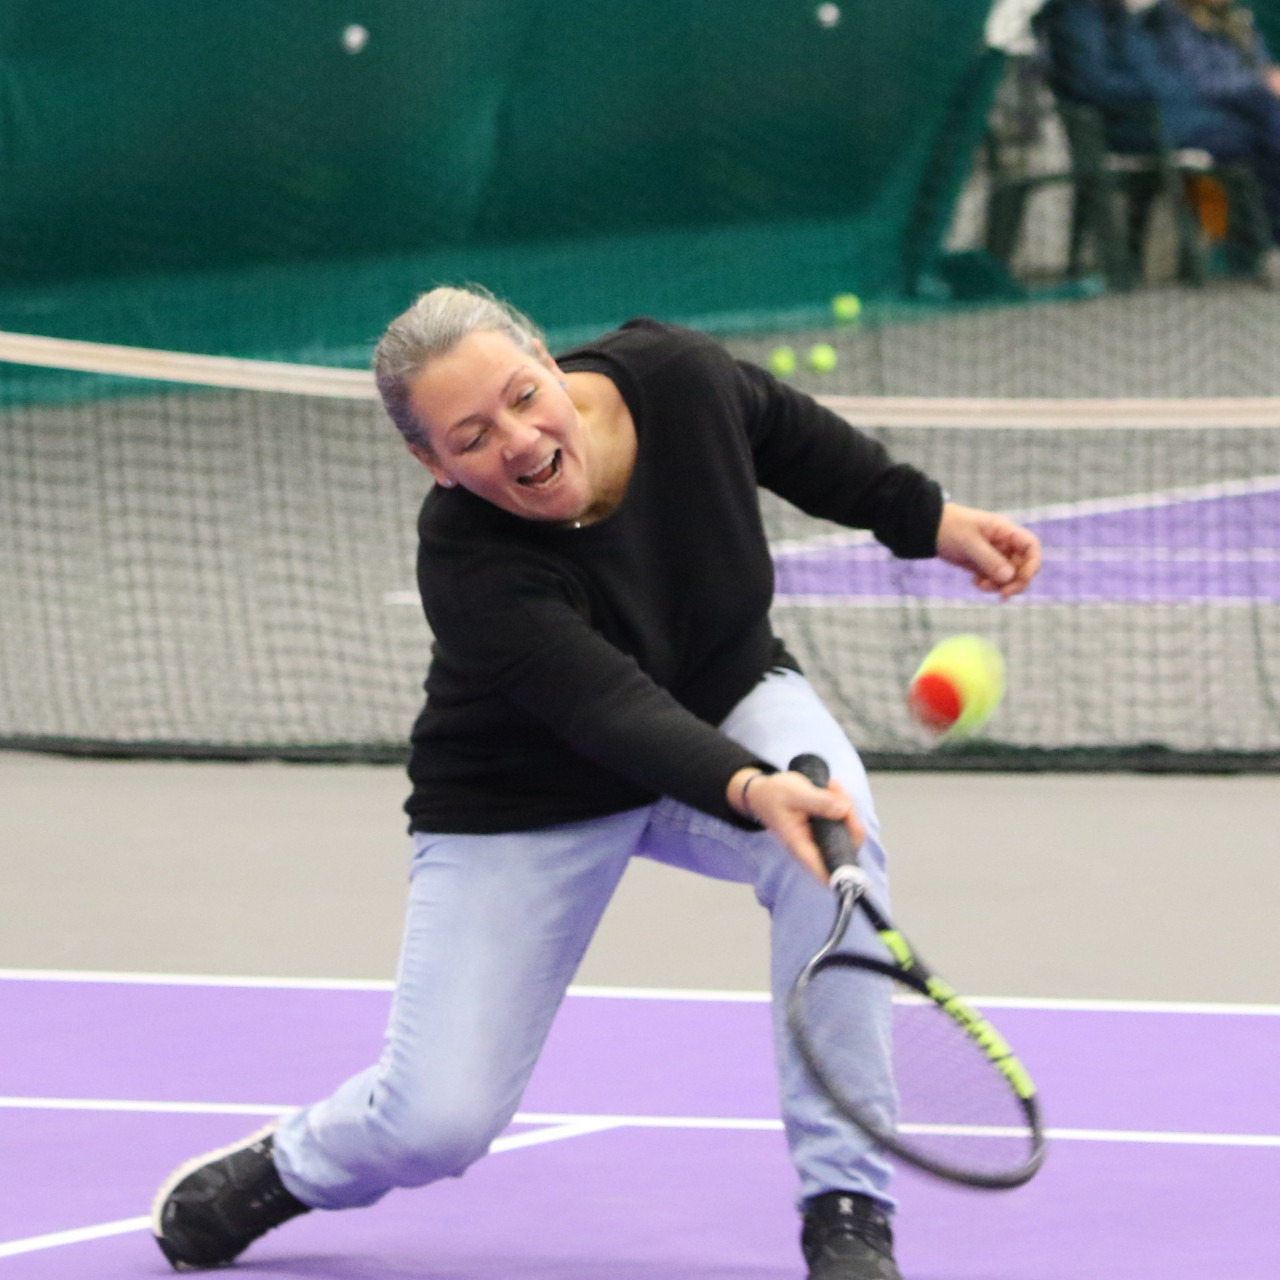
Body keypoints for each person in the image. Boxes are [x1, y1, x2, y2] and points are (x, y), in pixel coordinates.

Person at [150, 287, 1041, 1280]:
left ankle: (848, 1209)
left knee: (837, 848)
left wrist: (929, 518)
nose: (520, 440)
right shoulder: (468, 562)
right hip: (524, 794)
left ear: (545, 355)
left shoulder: (679, 379)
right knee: (438, 1121)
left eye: (523, 395)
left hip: (725, 693)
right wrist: (753, 790)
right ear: (431, 462)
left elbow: (787, 433)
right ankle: (295, 1164)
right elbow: (609, 709)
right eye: (471, 437)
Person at [1038, 0, 1280, 246]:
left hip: (1161, 116)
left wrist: (1168, 87)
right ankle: (1254, 245)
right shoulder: (1078, 13)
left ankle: (1258, 243)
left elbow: (1154, 70)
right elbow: (1095, 84)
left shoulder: (1114, 14)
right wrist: (1162, 89)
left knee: (1258, 131)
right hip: (1131, 126)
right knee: (1249, 138)